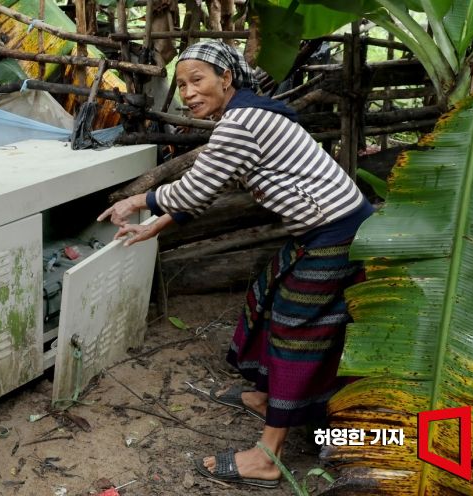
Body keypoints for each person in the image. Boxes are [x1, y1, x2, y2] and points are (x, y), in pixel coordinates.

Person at [97, 40, 373, 488]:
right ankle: (267, 397)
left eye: (197, 80)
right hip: (326, 230)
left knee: (295, 330)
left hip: (336, 233)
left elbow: (194, 189)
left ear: (226, 79)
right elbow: (211, 184)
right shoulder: (246, 116)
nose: (187, 92)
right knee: (268, 296)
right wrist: (157, 225)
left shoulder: (242, 122)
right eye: (181, 84)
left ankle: (269, 456)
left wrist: (138, 200)